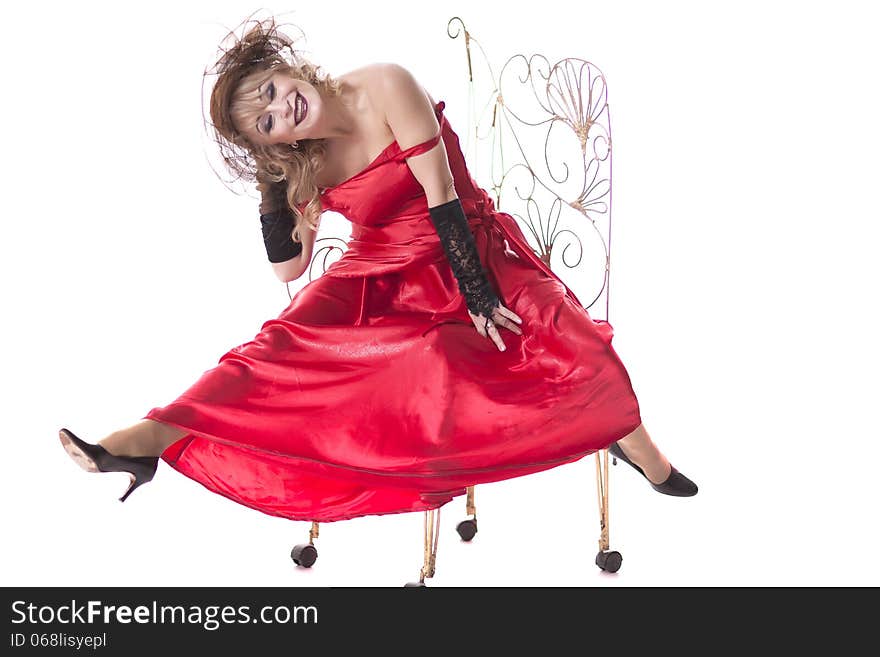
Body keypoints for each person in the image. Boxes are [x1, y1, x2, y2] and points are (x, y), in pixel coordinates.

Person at [59, 18, 696, 522]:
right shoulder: (299, 163)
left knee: (571, 345)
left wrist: (476, 293)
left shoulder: (386, 84)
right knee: (278, 343)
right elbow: (290, 268)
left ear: (288, 68)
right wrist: (274, 184)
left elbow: (442, 194)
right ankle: (149, 437)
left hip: (465, 247)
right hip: (378, 267)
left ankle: (640, 451)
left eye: (274, 92)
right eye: (268, 123)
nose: (284, 110)